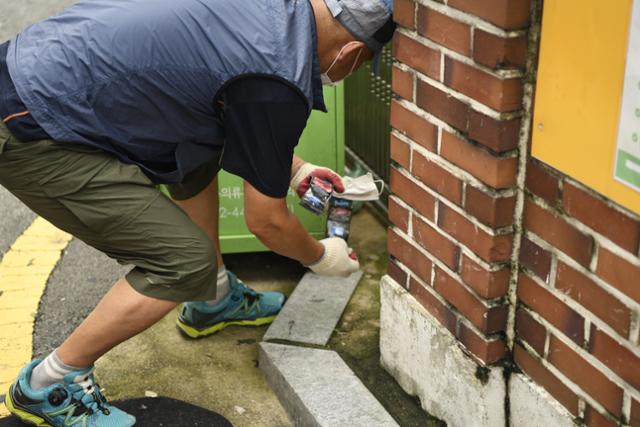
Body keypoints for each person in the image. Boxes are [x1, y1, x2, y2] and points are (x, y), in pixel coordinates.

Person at [0, 0, 395, 424]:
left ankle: (214, 298)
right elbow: (266, 222)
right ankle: (50, 383)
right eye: (358, 65)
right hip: (31, 124)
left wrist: (296, 170)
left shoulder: (272, 13)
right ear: (351, 53)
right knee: (184, 263)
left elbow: (222, 96)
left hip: (31, 67)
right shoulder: (277, 76)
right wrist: (322, 257)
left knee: (197, 146)